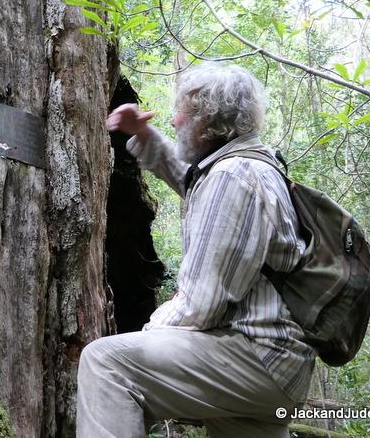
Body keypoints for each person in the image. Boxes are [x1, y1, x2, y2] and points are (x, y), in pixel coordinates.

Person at [76, 62, 314, 438]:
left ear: (207, 121)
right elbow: (191, 182)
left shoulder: (231, 177)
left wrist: (148, 332)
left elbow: (203, 302)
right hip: (277, 367)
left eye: (181, 113)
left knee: (107, 363)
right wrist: (145, 135)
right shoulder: (250, 166)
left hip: (253, 357)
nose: (174, 122)